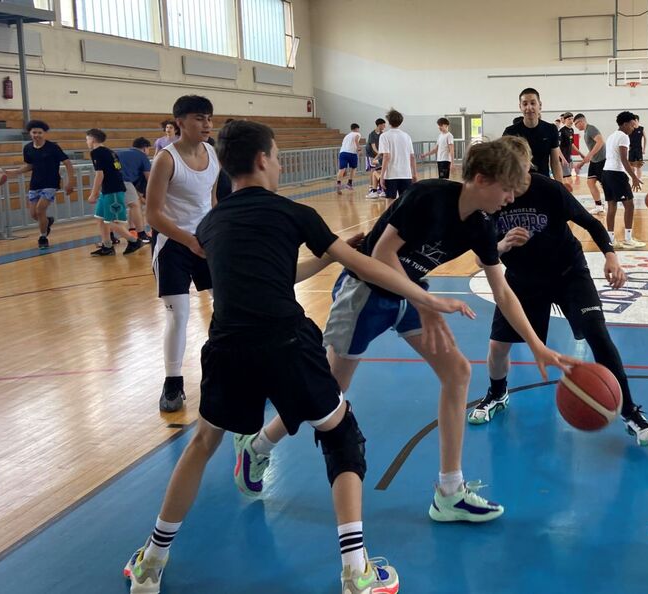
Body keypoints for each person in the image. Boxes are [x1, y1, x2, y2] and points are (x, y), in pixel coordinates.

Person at [122, 120, 476, 594]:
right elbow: (367, 264)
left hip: (227, 347)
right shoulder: (295, 213)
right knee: (340, 434)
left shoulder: (210, 224)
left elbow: (270, 275)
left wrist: (325, 258)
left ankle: (151, 561)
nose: (280, 164)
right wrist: (425, 297)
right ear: (263, 159)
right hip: (287, 344)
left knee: (203, 443)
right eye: (276, 156)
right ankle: (356, 570)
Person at [228, 137, 573, 526]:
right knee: (328, 392)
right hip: (365, 292)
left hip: (407, 294)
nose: (510, 199)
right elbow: (381, 255)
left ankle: (449, 491)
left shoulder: (481, 224)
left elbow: (503, 292)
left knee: (457, 372)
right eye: (507, 189)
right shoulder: (429, 197)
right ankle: (258, 444)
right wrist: (425, 303)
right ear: (481, 179)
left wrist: (536, 345)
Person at [468, 136, 648, 446]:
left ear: (528, 165)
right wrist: (502, 245)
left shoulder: (549, 189)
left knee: (598, 334)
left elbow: (591, 224)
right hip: (523, 280)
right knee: (497, 347)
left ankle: (629, 411)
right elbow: (481, 258)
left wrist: (611, 256)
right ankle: (497, 393)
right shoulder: (495, 197)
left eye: (521, 168)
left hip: (568, 273)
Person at [146, 95, 220, 413]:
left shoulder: (213, 153)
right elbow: (152, 214)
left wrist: (217, 234)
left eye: (209, 118)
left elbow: (211, 201)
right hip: (173, 245)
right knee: (179, 314)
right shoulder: (166, 160)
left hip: (205, 242)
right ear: (180, 122)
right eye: (199, 118)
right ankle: (173, 381)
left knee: (227, 306)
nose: (207, 124)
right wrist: (189, 240)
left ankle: (234, 367)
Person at [4, 120, 76, 249]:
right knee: (34, 214)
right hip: (35, 183)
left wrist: (70, 181)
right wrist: (14, 171)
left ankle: (43, 237)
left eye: (39, 132)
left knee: (40, 209)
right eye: (34, 132)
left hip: (51, 183)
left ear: (44, 133)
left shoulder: (53, 147)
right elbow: (30, 165)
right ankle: (47, 222)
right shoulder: (27, 148)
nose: (37, 135)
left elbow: (67, 163)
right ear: (30, 133)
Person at [85, 129, 141, 256]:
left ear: (93, 139)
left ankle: (134, 241)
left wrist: (93, 193)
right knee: (100, 217)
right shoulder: (110, 152)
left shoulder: (96, 152)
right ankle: (107, 246)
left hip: (113, 190)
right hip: (108, 190)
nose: (87, 142)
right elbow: (116, 169)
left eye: (87, 139)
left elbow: (99, 174)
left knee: (110, 221)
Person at [600, 111, 645, 249]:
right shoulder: (624, 137)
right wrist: (634, 177)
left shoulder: (611, 136)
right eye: (631, 125)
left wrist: (634, 165)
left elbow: (616, 158)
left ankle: (611, 239)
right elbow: (624, 159)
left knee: (612, 205)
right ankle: (628, 239)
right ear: (625, 124)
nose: (633, 128)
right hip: (617, 175)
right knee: (629, 205)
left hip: (606, 173)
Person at [503, 88, 563, 180]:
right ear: (520, 107)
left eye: (533, 103)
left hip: (543, 181)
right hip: (519, 183)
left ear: (540, 105)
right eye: (525, 104)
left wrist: (560, 185)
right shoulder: (510, 132)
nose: (529, 107)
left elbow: (555, 162)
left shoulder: (551, 129)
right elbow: (504, 162)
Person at [117, 137, 153, 243]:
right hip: (123, 181)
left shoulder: (121, 153)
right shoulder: (142, 156)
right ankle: (141, 234)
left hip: (108, 183)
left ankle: (111, 237)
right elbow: (149, 178)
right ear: (145, 148)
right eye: (149, 149)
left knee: (110, 212)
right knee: (135, 205)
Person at [378, 109, 416, 200]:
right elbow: (412, 156)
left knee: (390, 201)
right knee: (405, 202)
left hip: (391, 175)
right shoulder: (407, 136)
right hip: (406, 174)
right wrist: (414, 174)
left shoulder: (384, 136)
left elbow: (386, 156)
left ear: (388, 121)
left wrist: (382, 176)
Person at [572, 113, 606, 215]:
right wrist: (582, 163)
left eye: (576, 123)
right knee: (590, 182)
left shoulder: (591, 129)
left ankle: (612, 201)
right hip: (594, 161)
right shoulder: (586, 131)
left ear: (581, 121)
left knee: (605, 184)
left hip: (601, 160)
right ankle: (599, 206)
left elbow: (600, 142)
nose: (576, 126)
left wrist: (589, 156)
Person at [337, 123, 361, 194]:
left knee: (341, 169)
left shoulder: (347, 136)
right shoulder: (357, 134)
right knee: (353, 168)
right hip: (352, 153)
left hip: (342, 153)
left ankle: (338, 183)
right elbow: (356, 140)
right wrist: (359, 149)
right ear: (357, 128)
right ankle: (349, 183)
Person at [365, 118, 386, 198]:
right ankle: (371, 187)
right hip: (371, 154)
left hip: (379, 155)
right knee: (373, 170)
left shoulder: (382, 134)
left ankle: (378, 188)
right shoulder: (372, 134)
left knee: (378, 170)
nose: (384, 126)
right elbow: (374, 147)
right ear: (379, 125)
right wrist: (380, 154)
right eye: (383, 125)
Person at [558, 111, 577, 185]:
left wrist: (581, 154)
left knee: (567, 180)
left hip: (568, 158)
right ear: (564, 120)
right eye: (569, 119)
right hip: (562, 159)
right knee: (568, 180)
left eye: (572, 119)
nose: (571, 121)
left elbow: (571, 144)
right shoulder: (561, 131)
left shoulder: (571, 130)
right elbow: (557, 147)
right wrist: (563, 159)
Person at [628, 115, 646, 180]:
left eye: (633, 120)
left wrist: (644, 149)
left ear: (637, 120)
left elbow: (645, 138)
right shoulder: (630, 129)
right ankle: (633, 178)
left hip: (639, 150)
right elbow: (626, 138)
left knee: (639, 166)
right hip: (631, 149)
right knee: (631, 166)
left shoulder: (641, 129)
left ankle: (639, 179)